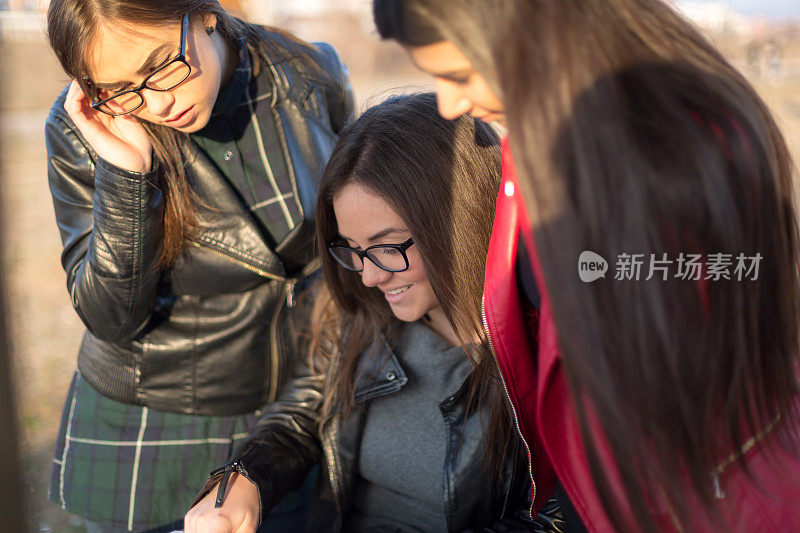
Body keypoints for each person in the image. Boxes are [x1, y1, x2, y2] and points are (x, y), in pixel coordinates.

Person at [373, 1, 800, 531]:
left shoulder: (666, 164)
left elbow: (669, 410)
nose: (448, 102)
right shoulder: (545, 139)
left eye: (460, 74)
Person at [184, 93, 564, 532]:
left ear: (459, 221)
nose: (367, 276)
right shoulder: (357, 312)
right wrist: (243, 480)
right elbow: (303, 413)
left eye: (385, 247)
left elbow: (557, 519)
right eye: (353, 250)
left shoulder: (546, 347)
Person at [44, 0, 354, 530]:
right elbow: (112, 319)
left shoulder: (310, 73)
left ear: (205, 13)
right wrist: (127, 179)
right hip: (152, 422)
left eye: (162, 65)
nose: (157, 102)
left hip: (292, 406)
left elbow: (345, 247)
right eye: (120, 88)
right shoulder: (87, 128)